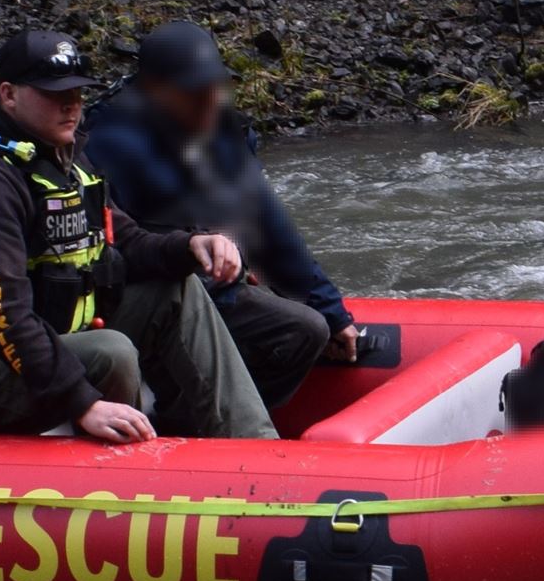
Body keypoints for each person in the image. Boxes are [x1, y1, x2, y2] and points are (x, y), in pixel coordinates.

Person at [0, 27, 276, 440]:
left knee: (177, 289)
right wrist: (82, 401)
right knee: (110, 350)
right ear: (8, 95)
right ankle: (122, 473)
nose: (71, 106)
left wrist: (190, 245)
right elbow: (2, 314)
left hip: (51, 341)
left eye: (77, 93)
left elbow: (126, 243)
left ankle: (252, 445)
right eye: (54, 94)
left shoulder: (68, 160)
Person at [82, 21, 364, 413]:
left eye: (215, 86)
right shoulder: (107, 146)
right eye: (196, 91)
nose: (211, 99)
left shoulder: (221, 133)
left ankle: (200, 427)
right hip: (149, 301)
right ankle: (185, 425)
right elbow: (115, 249)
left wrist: (332, 312)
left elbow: (268, 227)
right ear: (156, 92)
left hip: (217, 292)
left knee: (305, 329)